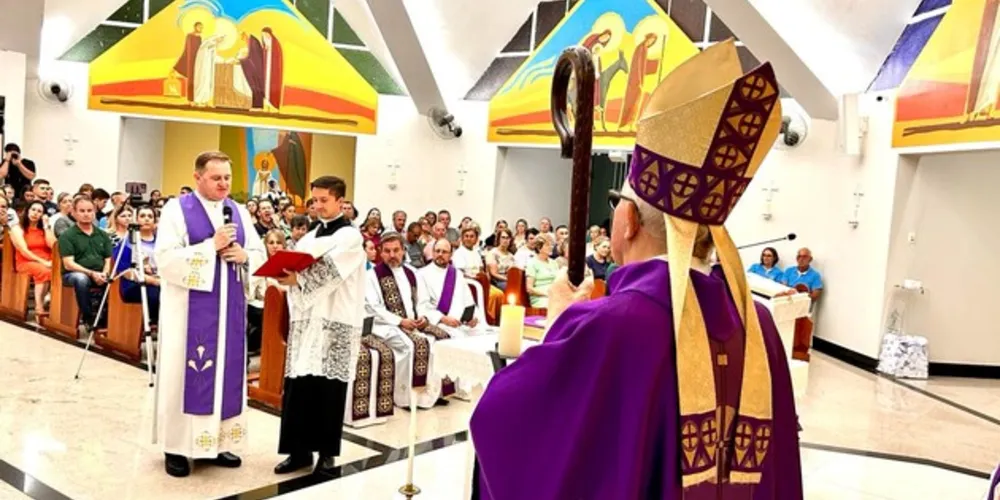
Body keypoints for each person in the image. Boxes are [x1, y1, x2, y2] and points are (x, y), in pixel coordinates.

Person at [470, 41, 802, 499]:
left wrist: (559, 328)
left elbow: (507, 425)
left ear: (625, 221)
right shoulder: (758, 323)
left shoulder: (614, 325)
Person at [154, 151, 265, 478]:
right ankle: (176, 446)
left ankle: (215, 444)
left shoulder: (239, 211)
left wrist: (245, 255)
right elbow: (165, 259)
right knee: (184, 374)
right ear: (197, 177)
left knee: (226, 373)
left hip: (229, 311)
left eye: (228, 178)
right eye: (216, 178)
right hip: (189, 315)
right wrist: (210, 247)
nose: (224, 184)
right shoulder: (176, 210)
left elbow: (258, 252)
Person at [273, 176, 367, 474]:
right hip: (308, 319)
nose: (318, 206)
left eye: (324, 200)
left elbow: (332, 271)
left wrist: (297, 278)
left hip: (335, 318)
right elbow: (299, 261)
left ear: (341, 201)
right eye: (314, 201)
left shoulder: (351, 236)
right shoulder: (309, 235)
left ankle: (326, 454)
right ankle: (298, 451)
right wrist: (286, 273)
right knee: (300, 385)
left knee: (329, 388)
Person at [365, 233, 451, 409]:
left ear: (403, 251)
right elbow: (374, 308)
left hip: (413, 324)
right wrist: (400, 321)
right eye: (387, 251)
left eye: (396, 250)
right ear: (381, 252)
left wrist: (423, 317)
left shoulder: (412, 274)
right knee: (413, 345)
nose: (392, 255)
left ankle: (432, 393)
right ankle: (405, 397)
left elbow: (422, 301)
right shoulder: (372, 276)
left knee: (440, 340)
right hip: (385, 325)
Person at [58, 196, 113, 328]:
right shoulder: (67, 235)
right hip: (74, 273)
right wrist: (91, 273)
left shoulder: (102, 234)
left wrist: (105, 273)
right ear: (74, 213)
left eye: (89, 211)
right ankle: (89, 318)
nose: (86, 214)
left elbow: (108, 259)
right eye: (82, 211)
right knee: (81, 279)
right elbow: (68, 264)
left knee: (115, 279)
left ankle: (107, 318)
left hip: (100, 273)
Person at [113, 205, 161, 324]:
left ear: (155, 221)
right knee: (156, 294)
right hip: (133, 284)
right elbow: (125, 272)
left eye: (150, 216)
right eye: (142, 216)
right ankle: (151, 323)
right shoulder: (127, 243)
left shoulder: (161, 242)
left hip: (159, 280)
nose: (146, 219)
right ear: (136, 220)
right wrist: (152, 280)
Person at [11, 201, 55, 319]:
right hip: (26, 261)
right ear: (27, 211)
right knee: (44, 271)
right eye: (33, 209)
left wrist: (46, 226)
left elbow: (53, 245)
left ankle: (51, 301)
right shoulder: (17, 228)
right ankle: (39, 306)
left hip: (47, 260)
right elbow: (24, 251)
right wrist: (43, 262)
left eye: (39, 211)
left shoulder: (43, 229)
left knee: (59, 271)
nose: (35, 213)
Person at [525, 233, 558, 308]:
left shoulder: (554, 262)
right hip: (540, 297)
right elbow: (529, 288)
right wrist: (546, 294)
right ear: (539, 248)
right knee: (555, 306)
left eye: (551, 245)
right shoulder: (532, 263)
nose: (551, 247)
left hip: (554, 295)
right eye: (547, 245)